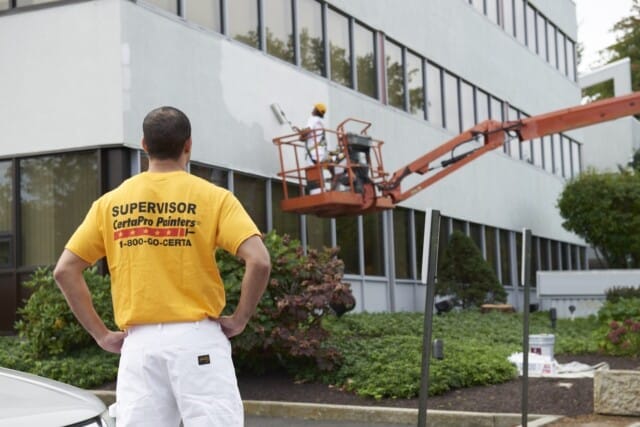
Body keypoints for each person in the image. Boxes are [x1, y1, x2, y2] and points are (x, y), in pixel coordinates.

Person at [53, 106, 271, 427]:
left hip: (139, 347)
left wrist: (100, 335)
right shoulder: (214, 197)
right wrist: (240, 319)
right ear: (189, 145)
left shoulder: (110, 203)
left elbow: (65, 270)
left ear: (144, 145)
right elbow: (260, 260)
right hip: (198, 340)